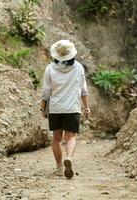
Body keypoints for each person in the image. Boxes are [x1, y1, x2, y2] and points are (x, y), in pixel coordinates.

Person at [40, 40, 90, 179]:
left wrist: (42, 108)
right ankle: (69, 157)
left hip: (56, 108)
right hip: (72, 107)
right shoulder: (79, 67)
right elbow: (83, 91)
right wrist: (86, 107)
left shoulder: (50, 68)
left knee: (56, 139)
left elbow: (46, 92)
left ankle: (60, 167)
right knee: (70, 137)